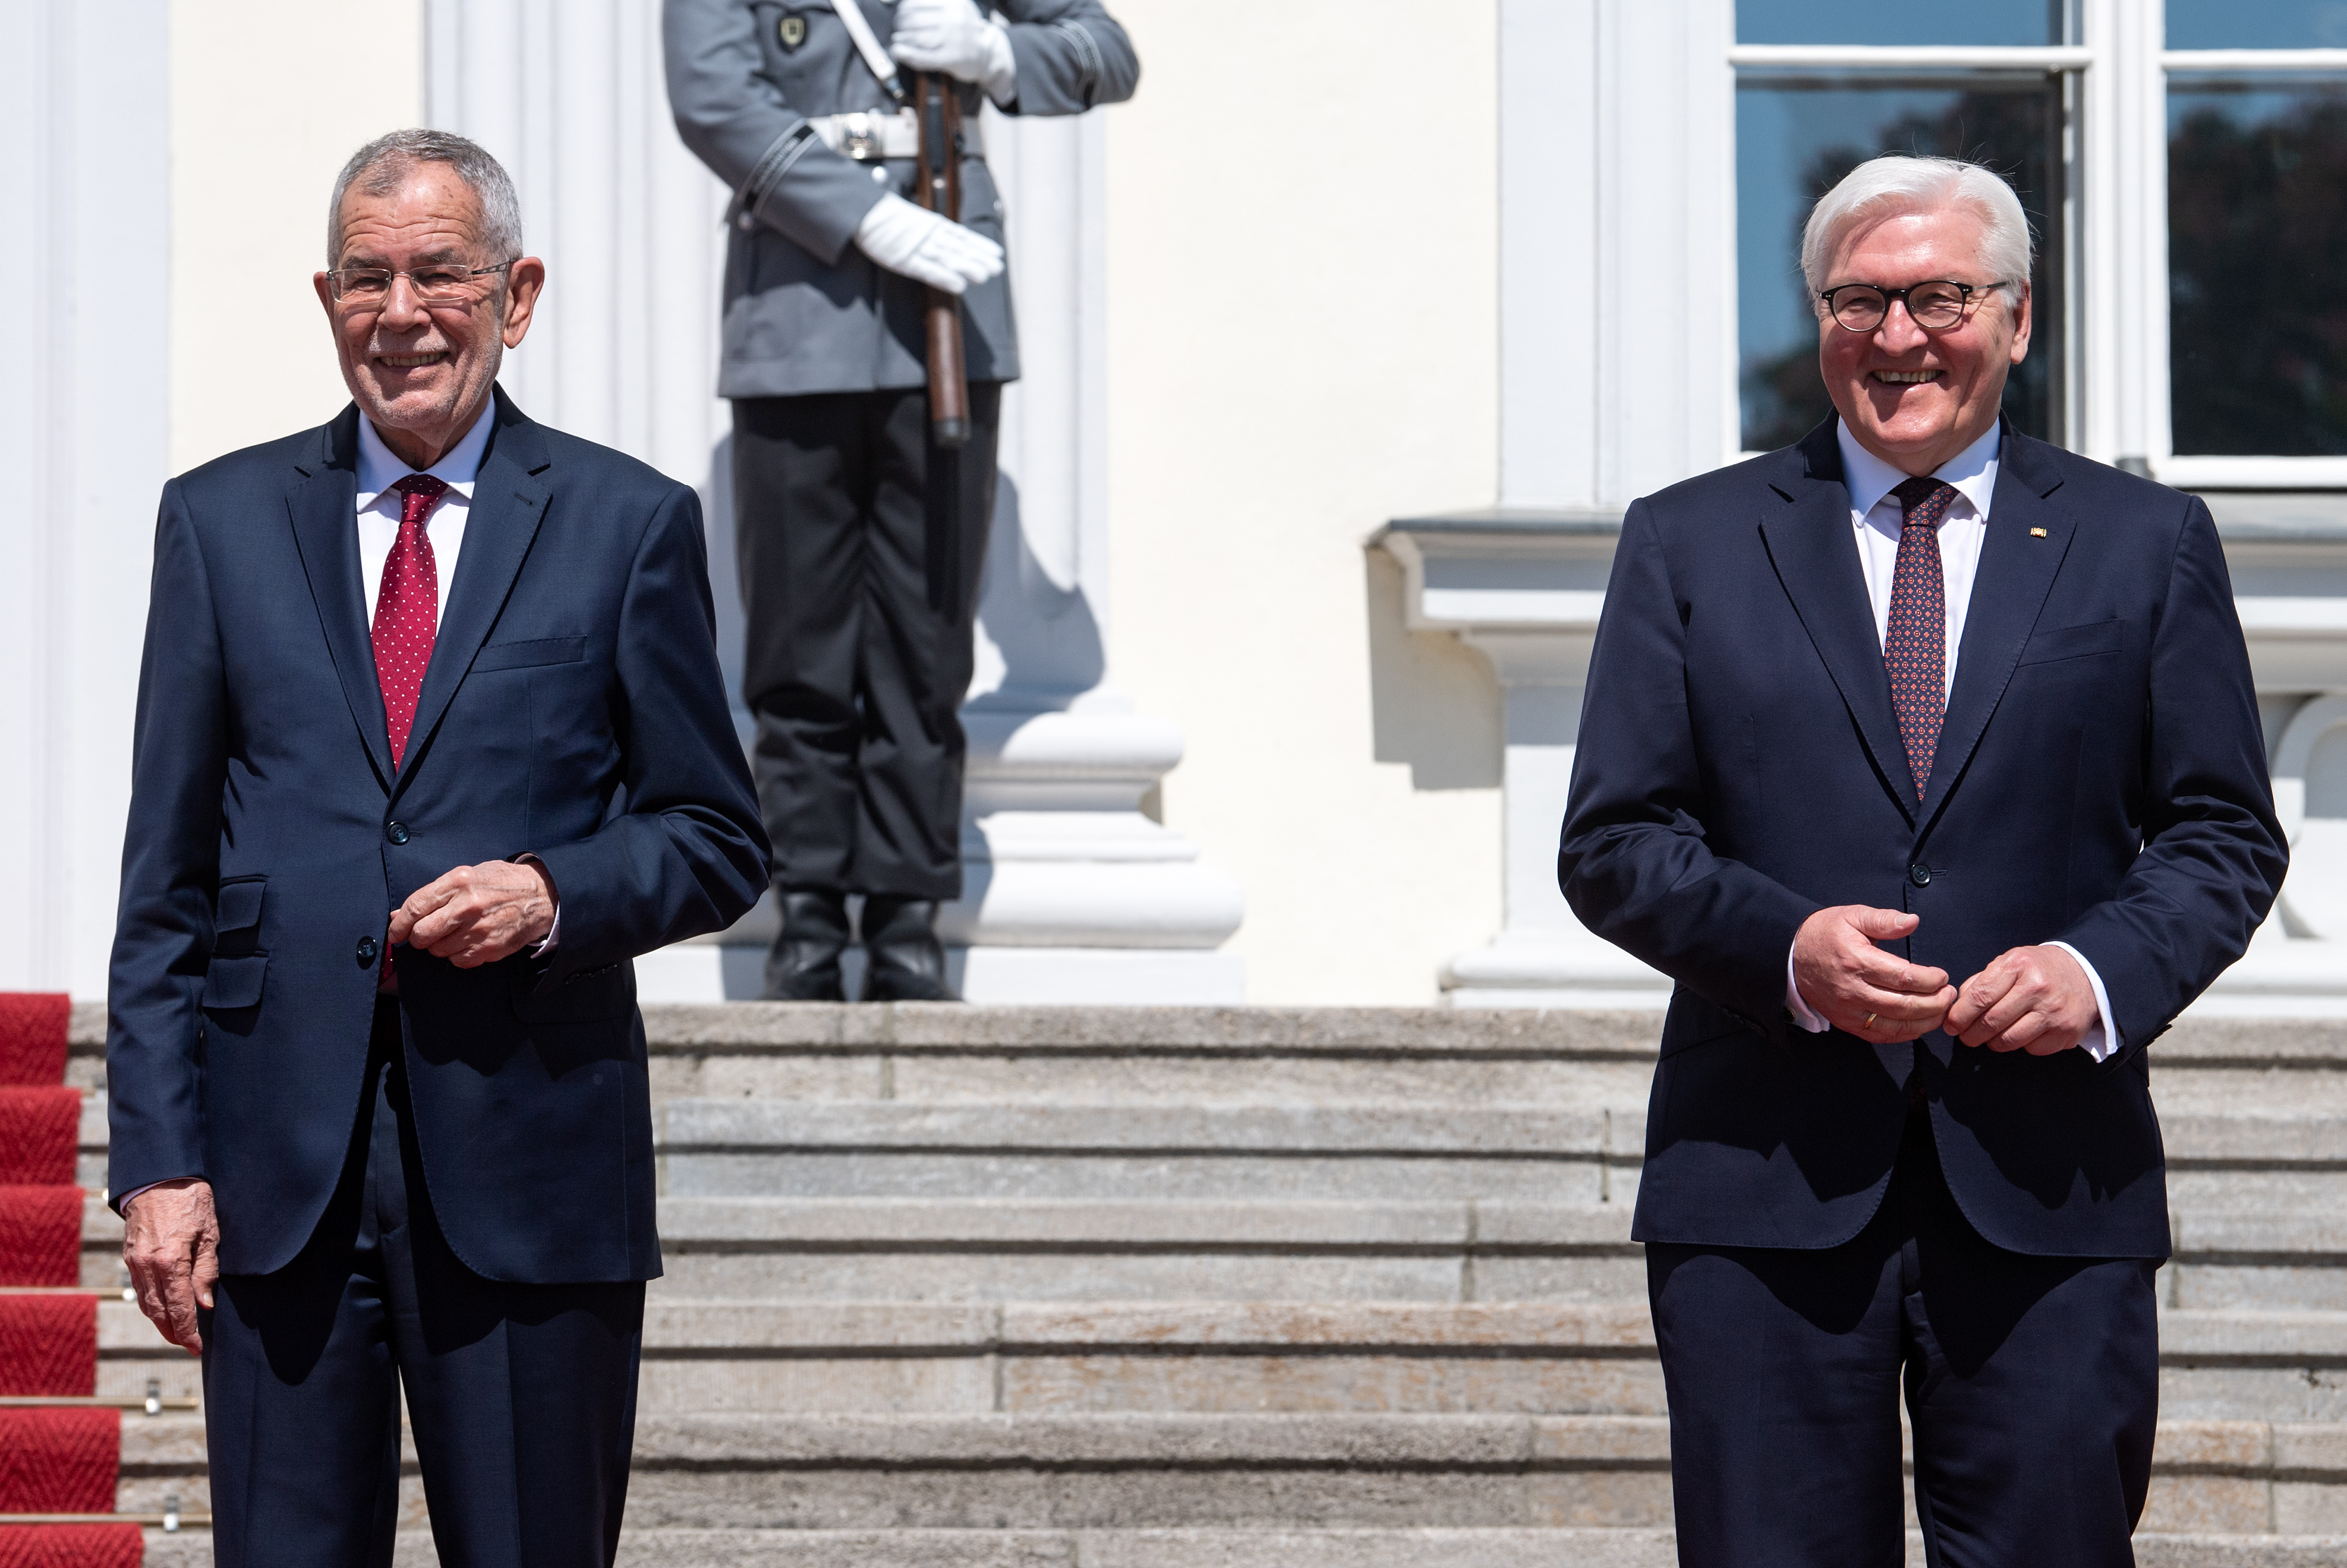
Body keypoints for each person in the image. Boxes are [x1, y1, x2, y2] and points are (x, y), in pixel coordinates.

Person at [1559, 155, 2288, 1566]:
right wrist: (1784, 952)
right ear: (1819, 318)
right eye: (1859, 301)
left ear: (2016, 318)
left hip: (2047, 1183)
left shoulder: (2144, 543)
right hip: (1760, 1185)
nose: (1896, 337)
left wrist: (2096, 969)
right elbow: (1615, 838)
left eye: (1938, 297)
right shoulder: (1689, 541)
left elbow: (2220, 828)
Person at [105, 130, 768, 1566]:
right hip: (277, 1179)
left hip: (533, 1163)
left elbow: (715, 835)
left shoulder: (627, 524)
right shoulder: (218, 524)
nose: (398, 311)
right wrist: (157, 1161)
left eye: (439, 273)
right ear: (327, 295)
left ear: (517, 294)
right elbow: (165, 880)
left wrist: (552, 894)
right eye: (365, 277)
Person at [664, 0, 1138, 1001]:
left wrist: (999, 53)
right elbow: (713, 99)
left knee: (926, 644)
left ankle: (905, 908)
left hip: (946, 331)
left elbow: (1107, 53)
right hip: (797, 314)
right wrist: (865, 216)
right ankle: (808, 903)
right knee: (798, 646)